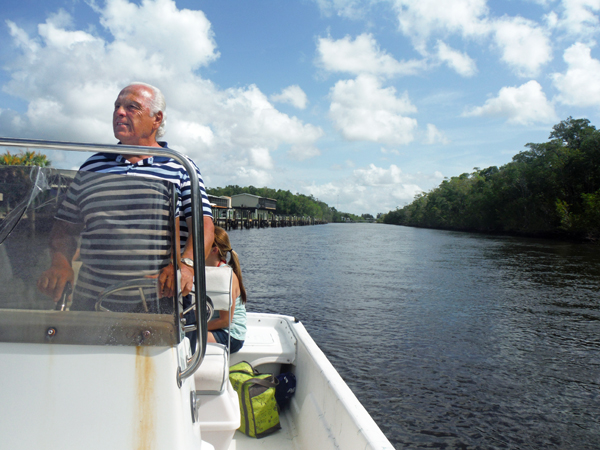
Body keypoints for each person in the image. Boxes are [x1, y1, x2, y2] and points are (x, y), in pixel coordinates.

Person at [37, 82, 214, 311]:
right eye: (117, 106)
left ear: (156, 119)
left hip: (158, 302)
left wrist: (186, 265)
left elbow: (204, 227)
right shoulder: (92, 166)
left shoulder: (180, 166)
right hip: (91, 301)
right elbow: (64, 227)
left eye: (132, 107)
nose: (119, 112)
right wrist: (60, 263)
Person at [206, 226, 246, 353]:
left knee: (187, 338)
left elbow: (225, 321)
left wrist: (192, 327)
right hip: (218, 329)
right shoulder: (212, 271)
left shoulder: (225, 275)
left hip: (231, 335)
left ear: (214, 250)